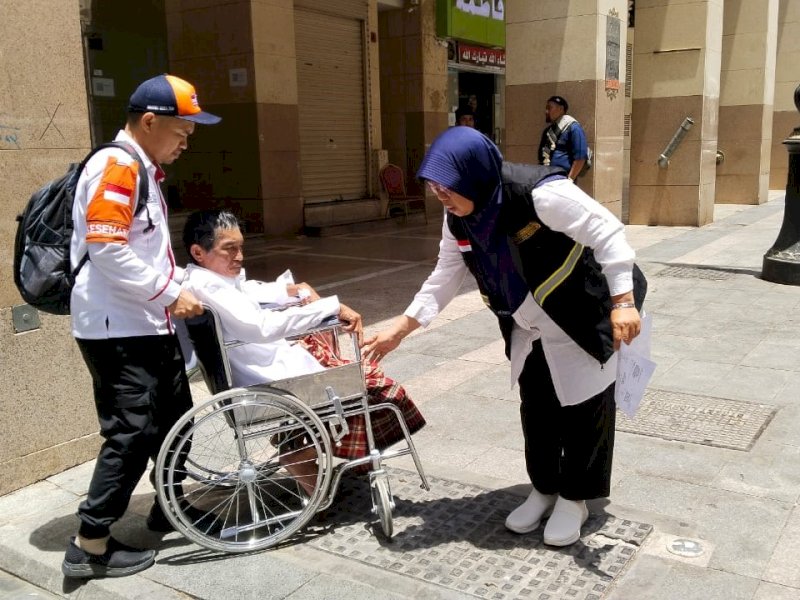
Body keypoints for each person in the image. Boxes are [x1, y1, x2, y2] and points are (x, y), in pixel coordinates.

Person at [362, 127, 646, 547]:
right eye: (435, 184)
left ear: (475, 173)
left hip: (579, 310)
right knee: (538, 405)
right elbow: (447, 271)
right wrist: (404, 326)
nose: (440, 193)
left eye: (448, 184)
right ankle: (545, 488)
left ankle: (575, 498)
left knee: (586, 406)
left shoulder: (540, 194)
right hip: (527, 322)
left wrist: (623, 299)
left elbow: (607, 231)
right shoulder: (457, 213)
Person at [62, 74, 220, 579]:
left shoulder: (144, 168)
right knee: (131, 433)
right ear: (149, 122)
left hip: (148, 322)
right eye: (182, 129)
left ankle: (168, 508)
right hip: (117, 329)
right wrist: (173, 294)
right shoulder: (118, 166)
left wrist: (188, 287)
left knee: (177, 417)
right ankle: (89, 544)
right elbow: (108, 249)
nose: (187, 139)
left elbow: (149, 250)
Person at [181, 209, 426, 495]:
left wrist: (292, 291)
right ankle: (299, 452)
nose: (239, 256)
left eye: (241, 247)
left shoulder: (208, 281)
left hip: (268, 370)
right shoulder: (209, 286)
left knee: (342, 363)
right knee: (381, 390)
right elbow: (259, 326)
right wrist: (328, 308)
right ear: (199, 252)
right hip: (269, 379)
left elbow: (247, 290)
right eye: (229, 249)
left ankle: (302, 448)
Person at [537, 95, 589, 183]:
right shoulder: (548, 131)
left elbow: (580, 158)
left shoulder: (573, 128)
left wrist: (570, 180)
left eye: (549, 108)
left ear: (561, 109)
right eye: (546, 108)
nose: (546, 111)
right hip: (546, 179)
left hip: (563, 181)